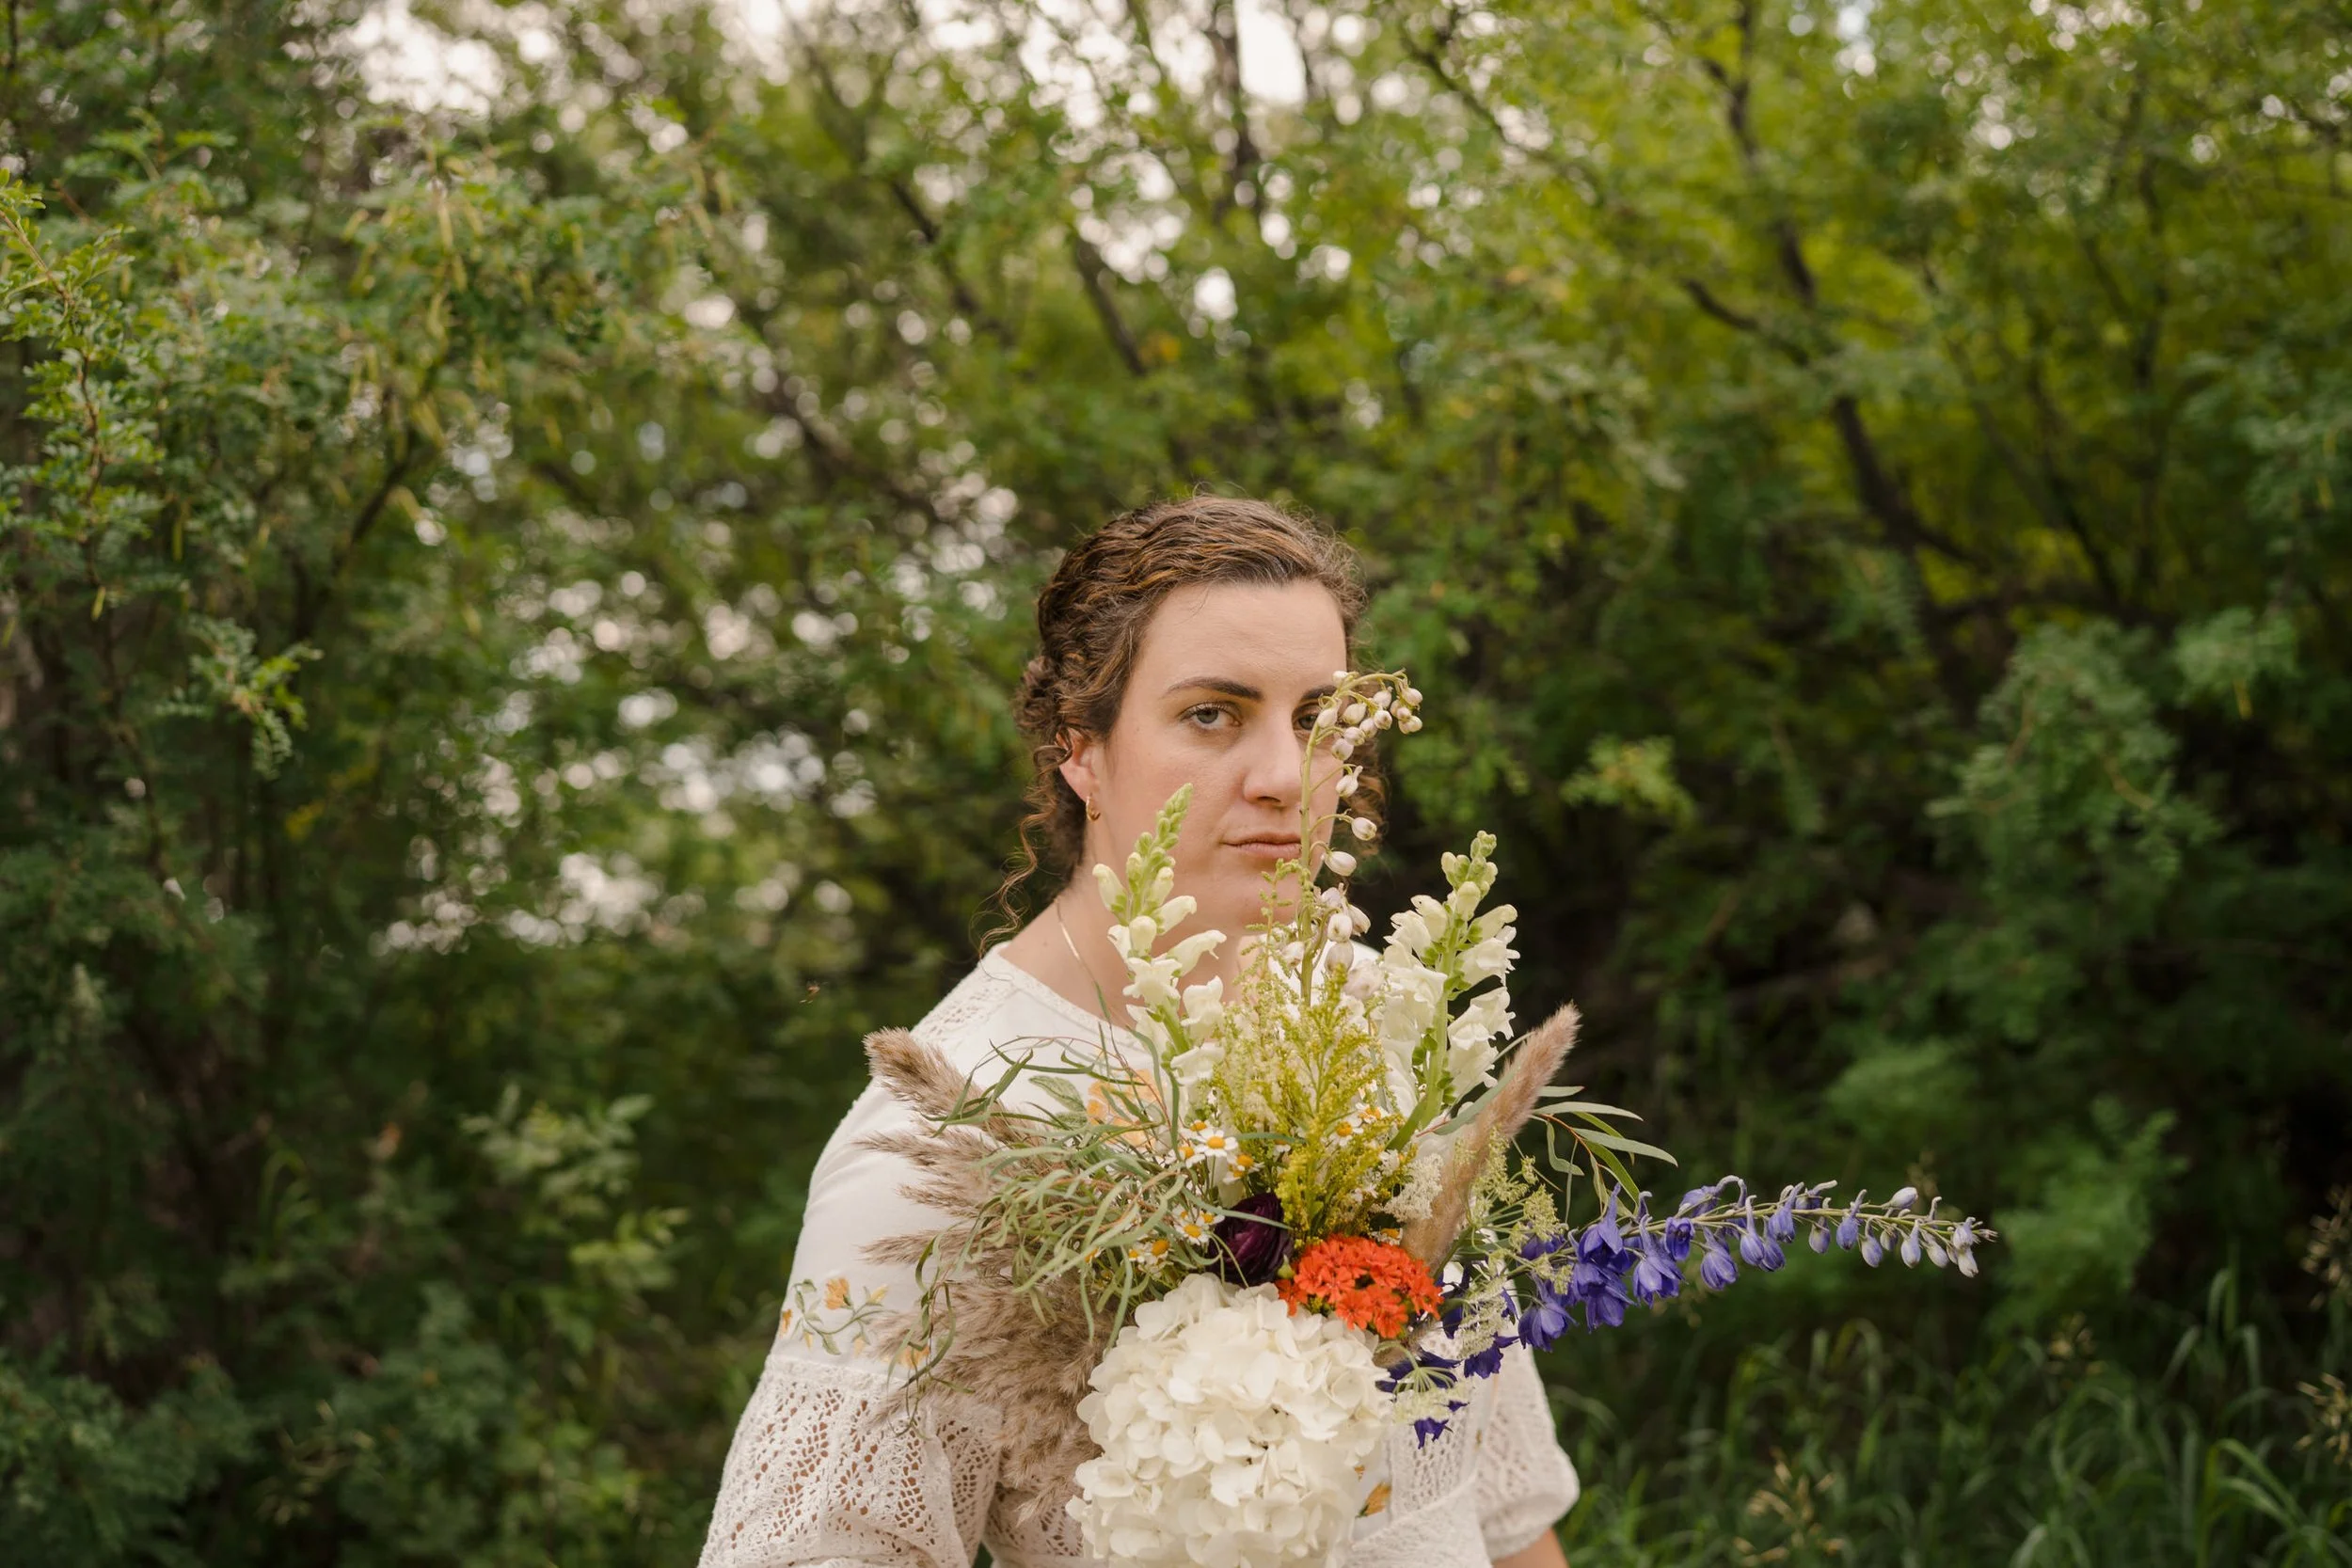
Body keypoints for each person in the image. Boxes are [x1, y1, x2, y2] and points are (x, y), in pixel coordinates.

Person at [698, 497, 1580, 1568]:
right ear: (1079, 747)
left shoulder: (1377, 1016)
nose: (1281, 775)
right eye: (1211, 713)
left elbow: (1490, 1498)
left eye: (1316, 717)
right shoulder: (947, 1136)